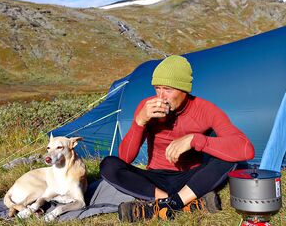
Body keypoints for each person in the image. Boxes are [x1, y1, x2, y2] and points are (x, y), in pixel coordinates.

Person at [99, 55, 255, 222]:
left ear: (184, 90)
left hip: (192, 179)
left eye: (167, 89)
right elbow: (125, 158)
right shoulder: (147, 107)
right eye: (157, 88)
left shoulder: (205, 110)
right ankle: (179, 202)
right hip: (155, 179)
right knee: (109, 165)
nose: (160, 96)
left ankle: (166, 205)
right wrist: (140, 121)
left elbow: (245, 149)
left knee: (229, 157)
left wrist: (194, 140)